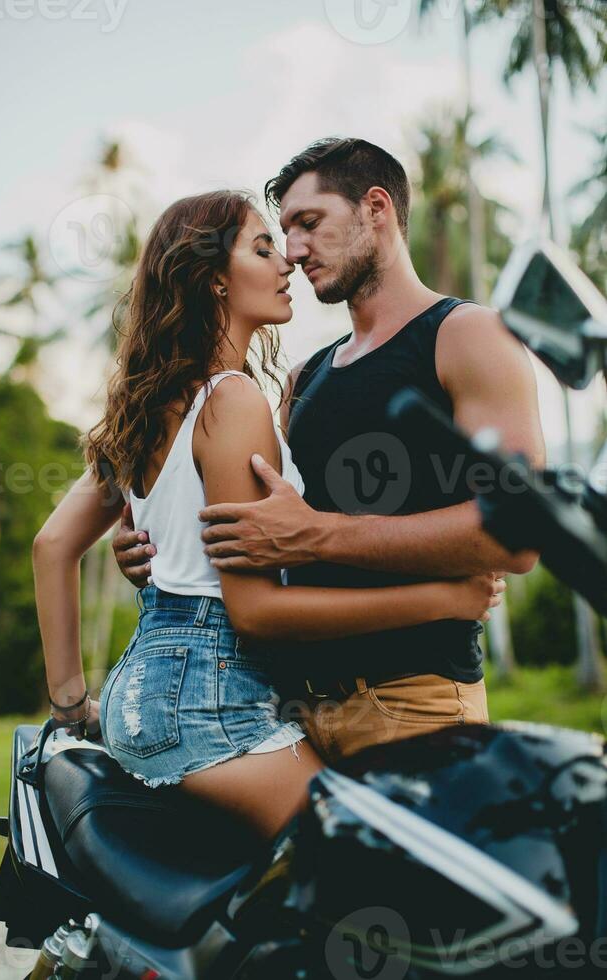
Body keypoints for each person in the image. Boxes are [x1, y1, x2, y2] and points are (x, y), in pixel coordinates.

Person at [33, 189, 504, 839]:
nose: (286, 260)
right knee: (360, 855)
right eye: (262, 247)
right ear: (214, 281)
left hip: (139, 691)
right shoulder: (234, 400)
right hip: (210, 701)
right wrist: (443, 600)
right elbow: (253, 610)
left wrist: (70, 703)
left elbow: (52, 546)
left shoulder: (145, 408)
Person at [114, 139, 545, 763]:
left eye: (308, 223)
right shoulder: (304, 379)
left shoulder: (466, 335)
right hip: (285, 712)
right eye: (283, 231)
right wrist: (157, 545)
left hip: (412, 703)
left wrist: (319, 534)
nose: (292, 249)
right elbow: (262, 539)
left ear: (376, 209)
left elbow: (518, 532)